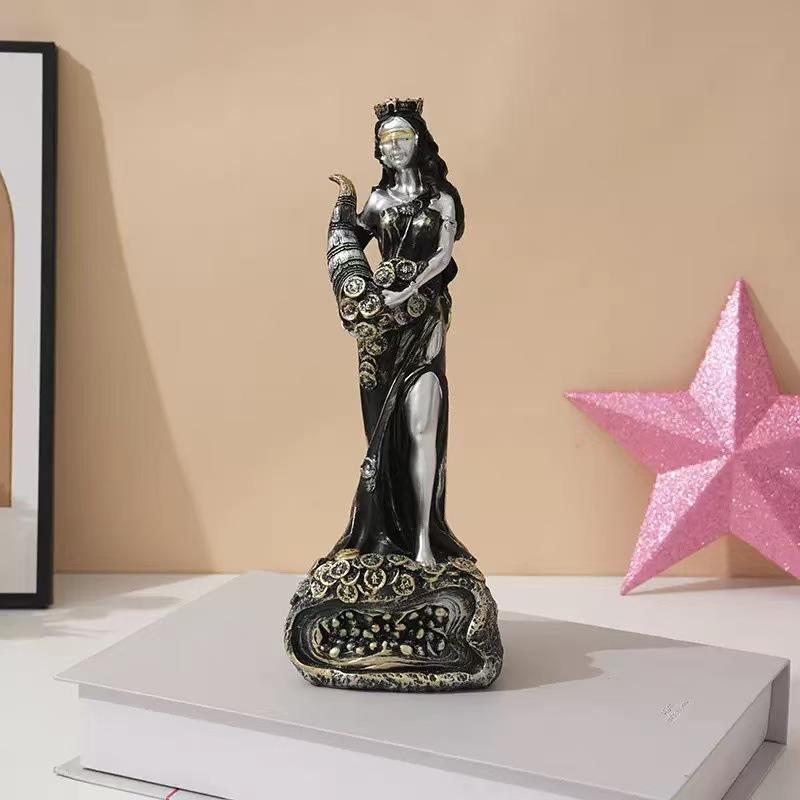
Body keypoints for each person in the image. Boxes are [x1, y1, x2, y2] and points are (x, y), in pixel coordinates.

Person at [326, 98, 473, 568]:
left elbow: (443, 256)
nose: (392, 147)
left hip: (424, 318)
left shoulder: (442, 199)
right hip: (382, 331)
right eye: (384, 140)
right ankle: (385, 531)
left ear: (419, 140)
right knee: (385, 431)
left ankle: (426, 540)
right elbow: (348, 248)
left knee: (423, 424)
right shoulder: (378, 202)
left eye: (401, 137)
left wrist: (408, 288)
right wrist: (344, 208)